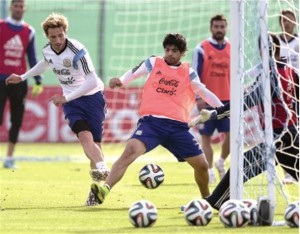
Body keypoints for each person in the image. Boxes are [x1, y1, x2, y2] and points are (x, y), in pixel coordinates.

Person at [89, 33, 224, 205]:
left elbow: (204, 92)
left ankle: (207, 199)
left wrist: (223, 108)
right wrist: (121, 81)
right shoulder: (154, 63)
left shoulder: (189, 73)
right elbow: (134, 72)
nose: (169, 53)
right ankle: (104, 190)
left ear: (182, 53)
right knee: (129, 153)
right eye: (167, 49)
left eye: (174, 51)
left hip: (178, 128)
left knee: (202, 166)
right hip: (151, 123)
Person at [5, 13, 109, 206]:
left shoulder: (77, 49)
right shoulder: (48, 51)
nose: (58, 40)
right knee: (84, 136)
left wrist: (65, 97)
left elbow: (92, 80)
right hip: (72, 103)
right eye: (53, 37)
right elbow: (44, 64)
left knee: (96, 143)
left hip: (92, 97)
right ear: (48, 36)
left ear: (65, 32)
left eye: (61, 35)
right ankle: (103, 167)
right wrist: (22, 76)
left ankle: (95, 190)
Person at [190, 33, 299, 210]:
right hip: (291, 134)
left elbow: (244, 102)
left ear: (262, 51)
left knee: (241, 166)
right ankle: (215, 202)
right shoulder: (290, 71)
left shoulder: (269, 76)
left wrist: (213, 114)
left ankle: (213, 203)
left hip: (280, 138)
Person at [0, 0, 43, 169]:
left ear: (24, 8)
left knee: (16, 120)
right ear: (11, 7)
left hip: (19, 81)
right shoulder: (1, 26)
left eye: (21, 6)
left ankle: (9, 158)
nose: (18, 9)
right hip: (0, 80)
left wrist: (38, 80)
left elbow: (32, 57)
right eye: (15, 6)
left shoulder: (29, 31)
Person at [191, 14, 230, 184]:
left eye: (222, 26)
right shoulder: (201, 48)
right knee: (206, 137)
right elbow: (195, 75)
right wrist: (198, 98)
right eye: (216, 26)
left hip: (228, 101)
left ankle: (221, 162)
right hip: (208, 101)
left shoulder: (233, 47)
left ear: (226, 28)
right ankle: (209, 170)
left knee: (231, 135)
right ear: (211, 28)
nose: (219, 29)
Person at [277, 9, 299, 184]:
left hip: (297, 89)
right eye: (284, 20)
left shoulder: (298, 42)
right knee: (284, 133)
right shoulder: (275, 43)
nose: (287, 23)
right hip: (281, 92)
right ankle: (288, 172)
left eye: (290, 19)